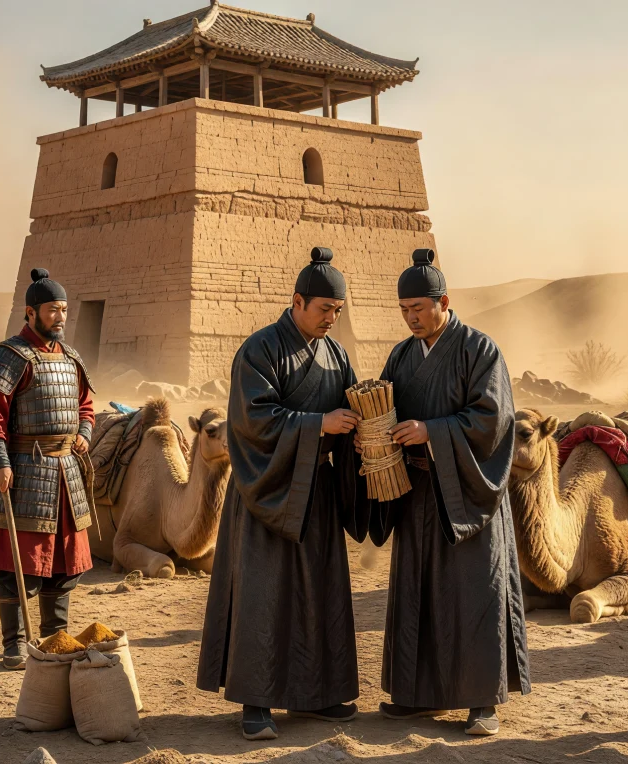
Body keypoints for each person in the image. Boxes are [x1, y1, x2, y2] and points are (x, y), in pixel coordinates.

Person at [196, 247, 368, 741]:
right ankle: (257, 702)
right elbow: (252, 421)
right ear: (297, 301)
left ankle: (319, 695)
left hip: (318, 492)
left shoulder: (336, 355)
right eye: (324, 309)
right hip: (266, 489)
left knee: (320, 592)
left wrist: (361, 429)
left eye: (338, 311)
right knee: (263, 594)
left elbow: (348, 409)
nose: (332, 319)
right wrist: (318, 424)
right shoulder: (260, 349)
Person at [367, 249, 530, 737]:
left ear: (444, 302)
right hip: (417, 491)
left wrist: (432, 432)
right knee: (417, 593)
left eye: (418, 308)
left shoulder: (480, 350)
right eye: (404, 310)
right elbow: (389, 412)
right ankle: (416, 696)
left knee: (474, 593)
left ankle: (482, 702)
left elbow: (493, 420)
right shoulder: (402, 356)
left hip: (467, 491)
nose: (411, 318)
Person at [0, 268, 95, 670]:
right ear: (31, 312)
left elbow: (85, 406)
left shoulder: (71, 358)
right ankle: (15, 644)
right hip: (25, 471)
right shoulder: (9, 356)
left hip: (67, 474)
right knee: (19, 565)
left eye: (64, 310)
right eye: (53, 310)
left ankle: (55, 638)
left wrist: (84, 434)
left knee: (64, 566)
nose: (60, 317)